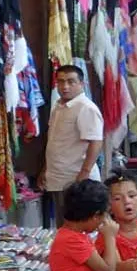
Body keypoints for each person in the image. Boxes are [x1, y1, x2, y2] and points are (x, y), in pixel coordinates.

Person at [43, 65, 104, 224]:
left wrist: (83, 174)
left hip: (76, 180)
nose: (65, 86)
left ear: (81, 84)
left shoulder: (86, 108)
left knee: (78, 226)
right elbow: (55, 141)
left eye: (71, 82)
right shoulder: (59, 107)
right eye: (61, 81)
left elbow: (96, 142)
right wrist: (45, 169)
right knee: (64, 226)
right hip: (58, 177)